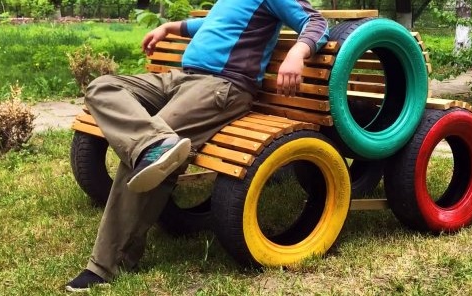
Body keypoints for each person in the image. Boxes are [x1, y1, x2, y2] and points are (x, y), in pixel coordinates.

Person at [64, 0, 328, 292]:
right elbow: (215, 25)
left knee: (145, 155)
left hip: (221, 86)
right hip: (182, 78)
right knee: (103, 86)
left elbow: (316, 22)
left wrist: (297, 52)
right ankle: (154, 143)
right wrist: (170, 26)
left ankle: (107, 264)